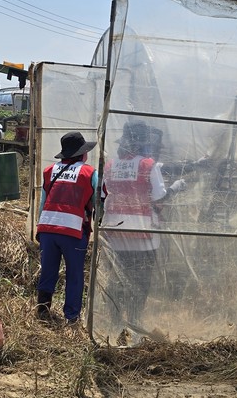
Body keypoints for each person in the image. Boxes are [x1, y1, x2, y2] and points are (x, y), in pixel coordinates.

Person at [100, 122, 185, 328]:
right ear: (142, 144)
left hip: (114, 231)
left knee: (117, 276)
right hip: (142, 232)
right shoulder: (149, 165)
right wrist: (176, 188)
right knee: (141, 278)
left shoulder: (110, 165)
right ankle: (135, 319)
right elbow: (158, 199)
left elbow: (103, 195)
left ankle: (115, 320)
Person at [35, 131, 98, 324]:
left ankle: (42, 311)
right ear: (82, 153)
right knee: (75, 274)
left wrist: (40, 228)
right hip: (72, 230)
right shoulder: (89, 173)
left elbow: (43, 201)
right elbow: (96, 202)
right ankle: (71, 317)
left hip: (47, 228)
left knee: (48, 270)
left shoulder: (49, 171)